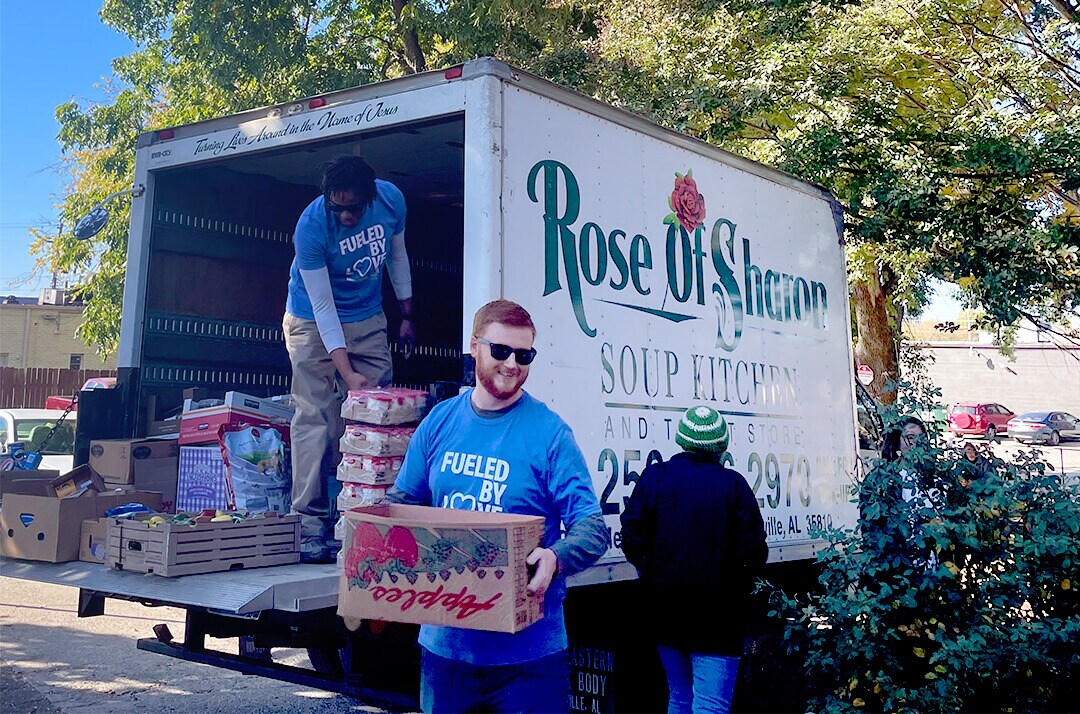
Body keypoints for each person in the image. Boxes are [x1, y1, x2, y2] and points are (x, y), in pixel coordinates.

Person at [387, 299, 608, 713]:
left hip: (529, 659)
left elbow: (591, 527)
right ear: (474, 347)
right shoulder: (439, 422)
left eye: (524, 355)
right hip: (445, 653)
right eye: (501, 351)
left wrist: (554, 558)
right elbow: (402, 505)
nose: (512, 365)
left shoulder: (550, 433)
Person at [284, 156, 415, 563]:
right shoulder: (310, 226)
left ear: (370, 198)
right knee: (316, 418)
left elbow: (397, 257)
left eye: (352, 208)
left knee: (380, 420)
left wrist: (407, 315)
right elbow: (323, 308)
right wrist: (347, 374)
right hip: (311, 318)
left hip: (367, 316)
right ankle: (307, 523)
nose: (344, 215)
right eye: (335, 206)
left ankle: (369, 518)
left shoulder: (391, 201)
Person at [621, 406, 768, 714]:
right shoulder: (734, 486)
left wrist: (650, 572)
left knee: (679, 696)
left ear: (682, 440)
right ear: (721, 445)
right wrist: (736, 587)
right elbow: (754, 552)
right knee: (710, 705)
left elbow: (632, 536)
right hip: (719, 618)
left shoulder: (656, 477)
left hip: (663, 612)